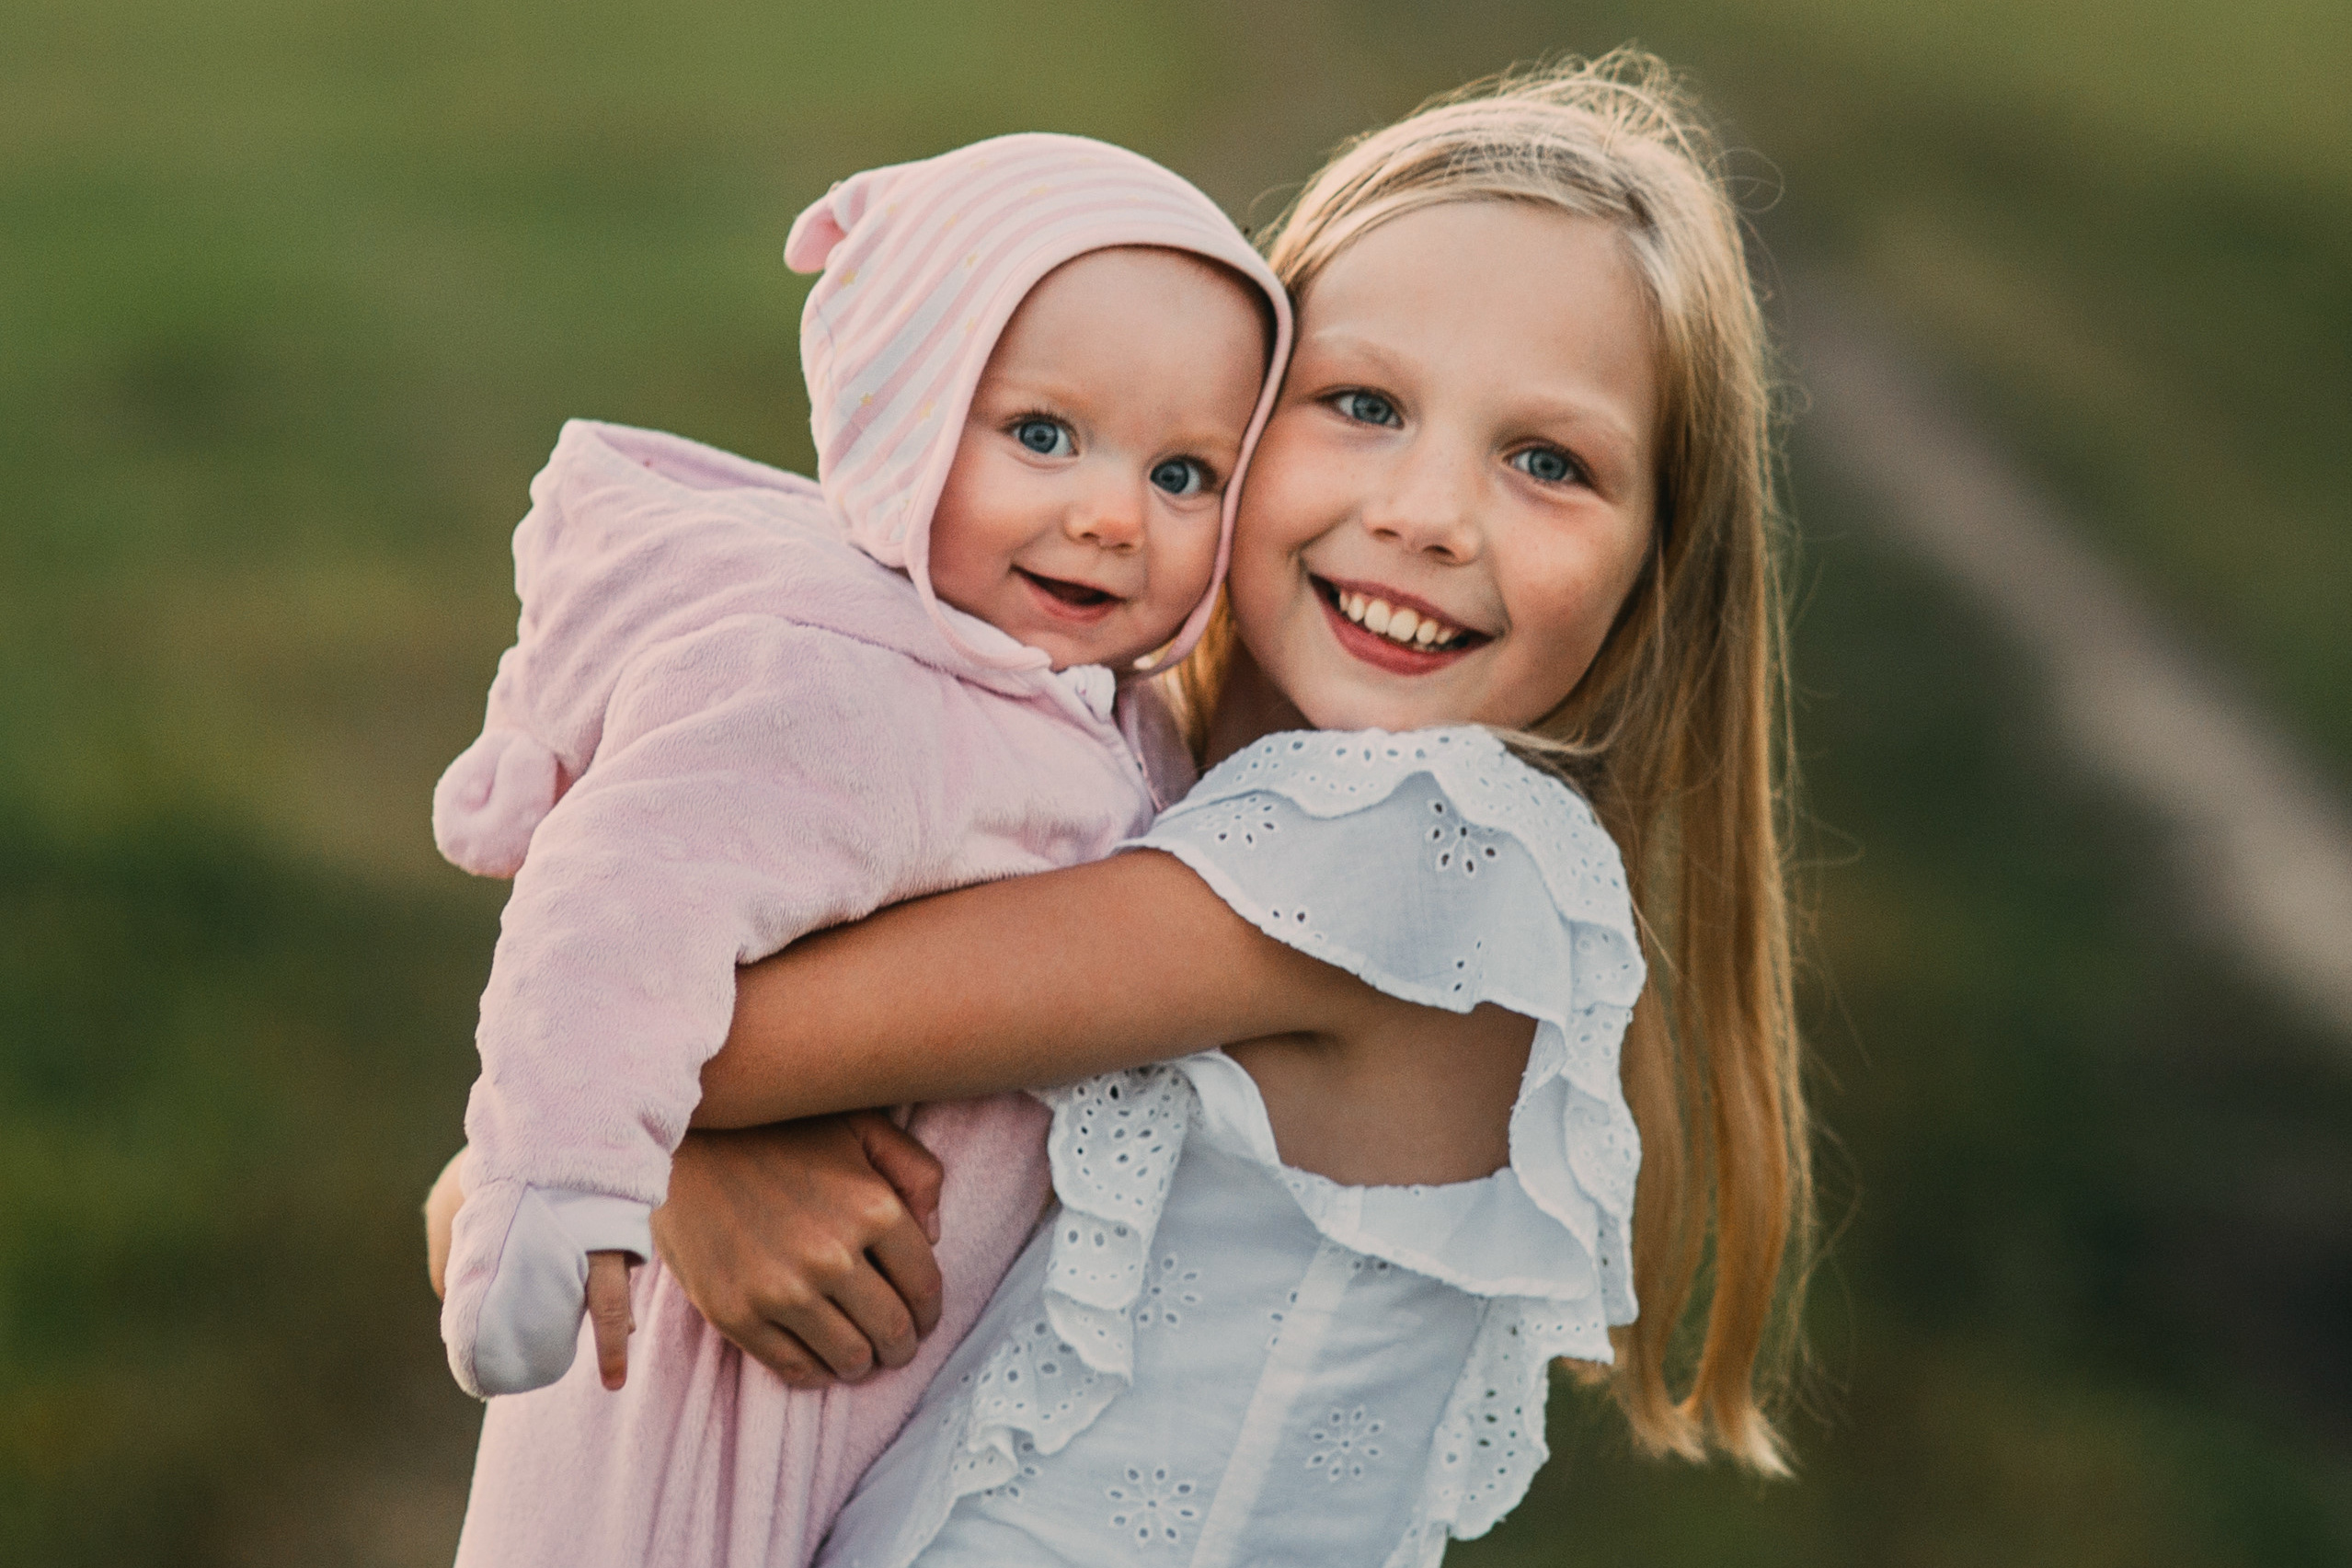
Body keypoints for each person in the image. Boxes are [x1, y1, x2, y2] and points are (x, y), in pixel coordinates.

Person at [650, 49, 1811, 1567]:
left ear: (1651, 580)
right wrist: (654, 1160)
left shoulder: (1422, 852)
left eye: (1547, 461)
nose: (1427, 513)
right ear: (1229, 417)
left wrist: (666, 1151)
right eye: (1362, 402)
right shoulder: (1137, 796)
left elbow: (673, 1032)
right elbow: (488, 1198)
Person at [427, 133, 1291, 1563]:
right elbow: (616, 900)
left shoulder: (1094, 709)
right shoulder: (843, 682)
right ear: (902, 412)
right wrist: (576, 1177)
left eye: (1186, 472)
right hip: (709, 1413)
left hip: (869, 1396)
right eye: (1040, 434)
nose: (1109, 513)